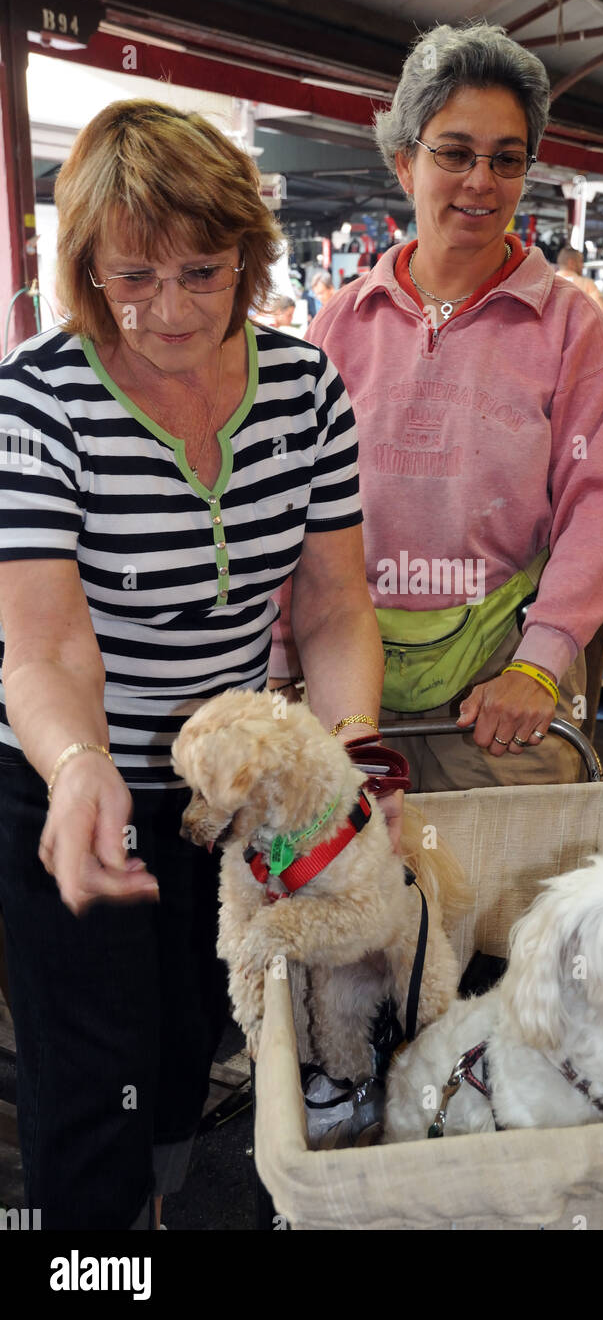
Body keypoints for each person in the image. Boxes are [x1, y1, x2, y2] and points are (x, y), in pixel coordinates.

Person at [0, 99, 390, 1230]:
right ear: (83, 270)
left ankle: (154, 1217)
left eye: (201, 272)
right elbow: (47, 643)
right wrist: (80, 766)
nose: (166, 310)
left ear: (247, 258)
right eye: (130, 278)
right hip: (75, 783)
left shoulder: (304, 391)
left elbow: (329, 605)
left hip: (226, 793)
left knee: (196, 1030)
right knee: (86, 1079)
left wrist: (346, 760)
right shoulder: (38, 399)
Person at [271, 21, 603, 792]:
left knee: (508, 897)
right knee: (346, 897)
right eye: (455, 152)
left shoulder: (569, 324)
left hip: (495, 680)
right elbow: (288, 501)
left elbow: (596, 503)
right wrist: (280, 661)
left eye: (506, 160)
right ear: (405, 163)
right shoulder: (341, 320)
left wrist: (540, 666)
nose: (480, 181)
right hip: (344, 674)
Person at [555, 245, 603, 317]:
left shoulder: (547, 283)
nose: (583, 266)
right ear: (571, 263)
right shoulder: (587, 284)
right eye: (581, 261)